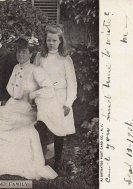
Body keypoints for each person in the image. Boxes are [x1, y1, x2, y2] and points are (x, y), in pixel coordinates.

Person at [0, 37, 58, 180]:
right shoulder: (15, 67)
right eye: (19, 52)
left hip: (26, 108)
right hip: (12, 104)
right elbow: (11, 88)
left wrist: (34, 95)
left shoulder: (35, 70)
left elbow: (49, 88)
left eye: (24, 52)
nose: (20, 55)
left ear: (30, 54)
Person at [33, 24, 77, 172]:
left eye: (54, 40)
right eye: (48, 40)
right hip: (44, 97)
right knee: (41, 127)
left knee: (59, 130)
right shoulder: (40, 57)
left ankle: (58, 162)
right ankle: (41, 159)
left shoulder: (65, 59)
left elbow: (72, 83)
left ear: (60, 41)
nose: (51, 43)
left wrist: (68, 103)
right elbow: (34, 78)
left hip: (59, 97)